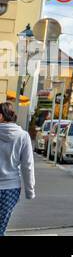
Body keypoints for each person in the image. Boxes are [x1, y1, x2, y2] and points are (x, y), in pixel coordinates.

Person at [0, 101, 36, 236]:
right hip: (11, 187)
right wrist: (29, 190)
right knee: (1, 226)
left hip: (10, 186)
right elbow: (27, 166)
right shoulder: (23, 136)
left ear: (1, 116)